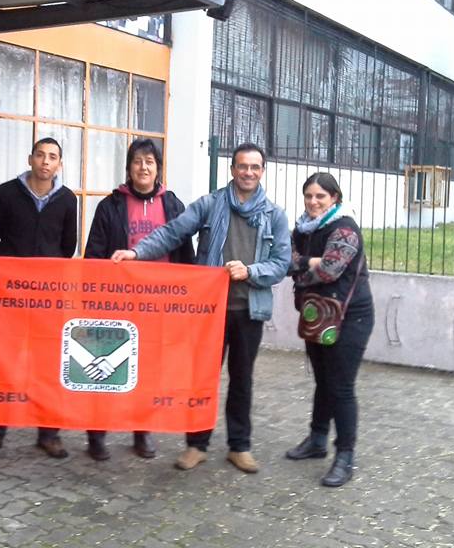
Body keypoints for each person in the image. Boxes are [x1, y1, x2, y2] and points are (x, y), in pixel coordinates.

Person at [112, 142, 291, 474]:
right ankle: (196, 445)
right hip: (209, 312)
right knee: (201, 380)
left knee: (242, 380)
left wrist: (251, 271)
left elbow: (281, 263)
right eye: (242, 166)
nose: (248, 172)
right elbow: (172, 232)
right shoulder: (210, 204)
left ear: (262, 171)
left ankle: (239, 447)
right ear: (232, 169)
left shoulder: (274, 215)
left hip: (249, 310)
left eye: (254, 167)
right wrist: (137, 252)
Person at [83, 138, 194, 461]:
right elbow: (94, 255)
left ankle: (142, 431)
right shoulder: (111, 205)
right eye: (137, 161)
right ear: (129, 168)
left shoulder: (173, 205)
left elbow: (185, 255)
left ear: (158, 168)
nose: (143, 167)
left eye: (149, 161)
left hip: (158, 306)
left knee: (148, 371)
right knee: (104, 368)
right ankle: (97, 434)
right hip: (116, 304)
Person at [0, 137, 78, 461]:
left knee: (47, 365)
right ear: (30, 159)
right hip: (10, 296)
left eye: (52, 157)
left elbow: (68, 246)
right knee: (3, 363)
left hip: (48, 299)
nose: (45, 161)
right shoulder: (7, 193)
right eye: (40, 155)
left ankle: (49, 433)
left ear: (59, 164)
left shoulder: (68, 200)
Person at [285, 172, 374, 487]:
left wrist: (303, 265)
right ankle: (317, 440)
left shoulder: (345, 228)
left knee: (341, 387)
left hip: (350, 318)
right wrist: (310, 263)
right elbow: (286, 261)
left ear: (334, 198)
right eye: (309, 196)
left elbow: (329, 270)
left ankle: (345, 456)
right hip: (317, 315)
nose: (313, 202)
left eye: (320, 196)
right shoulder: (302, 229)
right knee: (323, 381)